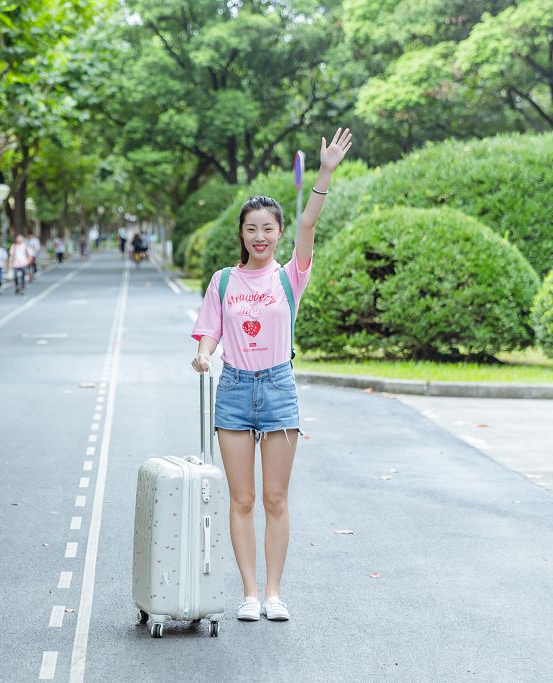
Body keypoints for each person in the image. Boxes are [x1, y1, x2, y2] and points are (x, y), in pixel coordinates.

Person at [190, 127, 353, 624]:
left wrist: (324, 171)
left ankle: (275, 593)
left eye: (268, 228)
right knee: (241, 498)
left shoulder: (290, 275)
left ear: (278, 233)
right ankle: (248, 592)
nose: (260, 236)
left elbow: (310, 224)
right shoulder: (223, 281)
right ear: (240, 234)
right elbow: (210, 333)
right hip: (235, 389)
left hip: (278, 388)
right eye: (251, 228)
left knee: (275, 498)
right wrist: (204, 353)